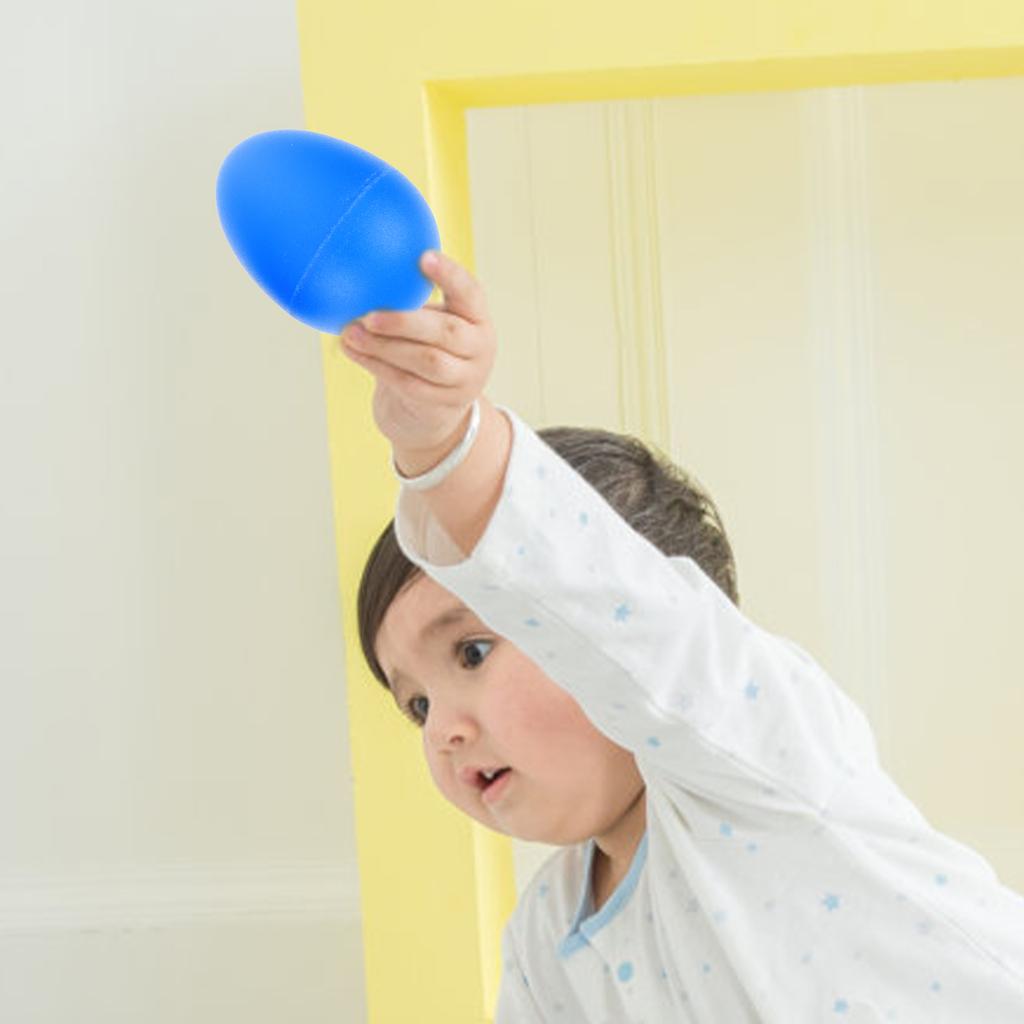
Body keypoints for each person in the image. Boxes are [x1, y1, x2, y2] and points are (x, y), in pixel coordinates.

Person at [339, 249, 1024, 1022]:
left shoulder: (757, 756)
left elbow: (602, 597)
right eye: (418, 706)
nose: (445, 734)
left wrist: (444, 448)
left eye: (471, 652)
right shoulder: (546, 942)